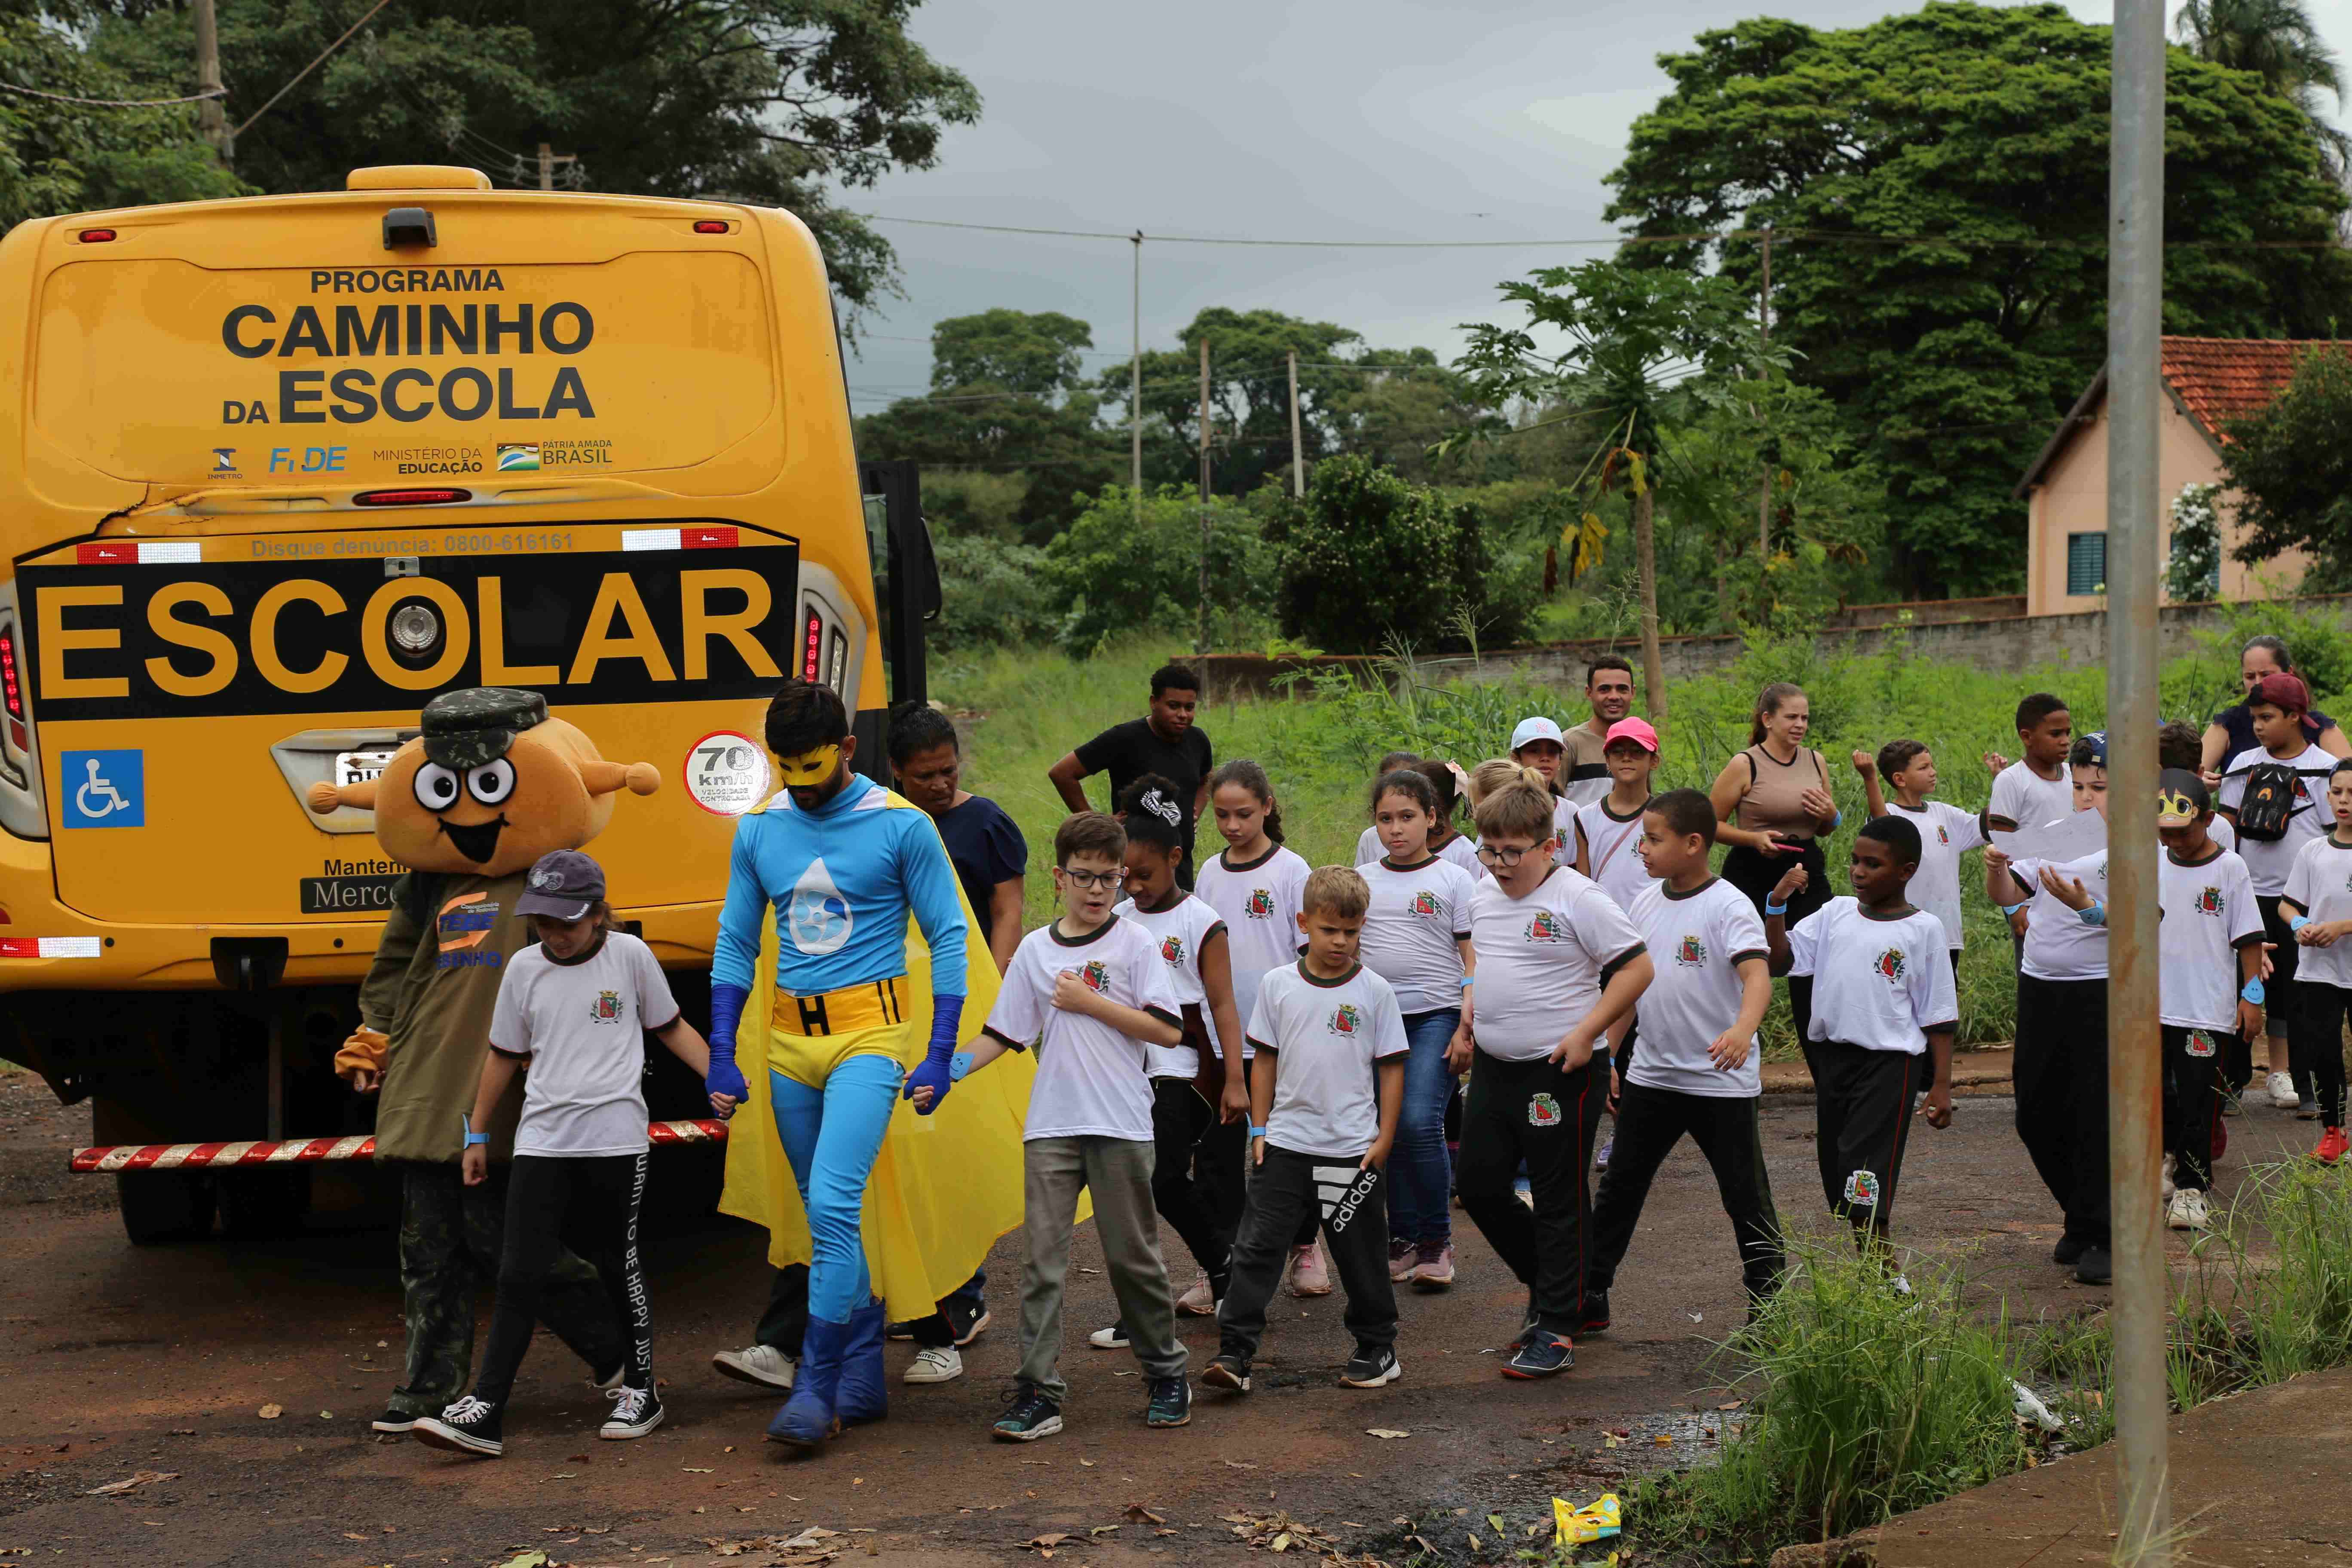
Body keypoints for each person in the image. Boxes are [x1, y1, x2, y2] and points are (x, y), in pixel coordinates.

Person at [320, 689, 663, 1437]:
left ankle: (614, 1350)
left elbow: (602, 973)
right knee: (428, 1241)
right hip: (429, 1074)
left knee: (506, 1239)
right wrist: (372, 1040)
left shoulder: (555, 874)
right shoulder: (427, 881)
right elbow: (392, 968)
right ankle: (429, 1387)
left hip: (518, 1084)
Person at [701, 680, 980, 1453]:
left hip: (871, 1038)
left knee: (830, 1202)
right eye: (784, 764)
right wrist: (723, 1052)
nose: (798, 779)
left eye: (813, 763)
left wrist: (937, 1048)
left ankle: (815, 1384)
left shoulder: (901, 826)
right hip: (788, 1044)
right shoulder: (760, 828)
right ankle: (860, 1376)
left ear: (849, 748)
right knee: (832, 1217)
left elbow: (949, 934)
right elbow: (734, 943)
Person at [411, 851, 726, 1458]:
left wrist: (724, 1083)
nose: (554, 935)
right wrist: (476, 1135)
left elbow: (671, 1027)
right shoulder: (525, 969)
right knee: (517, 1270)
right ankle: (486, 1409)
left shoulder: (631, 957)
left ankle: (641, 1391)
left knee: (617, 1260)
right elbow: (504, 1053)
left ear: (600, 916)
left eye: (568, 923)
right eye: (544, 923)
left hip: (616, 1139)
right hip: (542, 1140)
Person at [951, 811, 1192, 1442]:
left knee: (1133, 1258)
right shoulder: (1034, 949)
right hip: (1052, 1123)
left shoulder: (1134, 946)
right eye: (1083, 878)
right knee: (1042, 1264)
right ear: (1058, 877)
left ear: (1121, 881)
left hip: (1119, 1122)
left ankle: (1167, 1373)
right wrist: (946, 1069)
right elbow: (1005, 1033)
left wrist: (1093, 1003)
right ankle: (1037, 1391)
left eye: (1108, 880)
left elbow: (1168, 1030)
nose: (1095, 891)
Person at [1454, 769, 1651, 1379]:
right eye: (1489, 849)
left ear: (1549, 846)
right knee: (1481, 1186)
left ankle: (1559, 1326)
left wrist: (1587, 1032)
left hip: (1560, 1069)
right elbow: (1489, 963)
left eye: (1513, 852)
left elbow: (1636, 970)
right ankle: (1563, 1290)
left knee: (1559, 1193)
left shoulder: (1579, 899)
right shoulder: (1482, 893)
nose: (1499, 863)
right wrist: (1471, 1007)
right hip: (1493, 1065)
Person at [1201, 865, 1409, 1396]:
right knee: (1257, 1249)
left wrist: (1384, 1138)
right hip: (1285, 1147)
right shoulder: (1277, 985)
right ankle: (1235, 1354)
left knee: (1360, 1255)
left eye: (1352, 931)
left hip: (1351, 1152)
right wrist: (1260, 1128)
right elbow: (1264, 1062)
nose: (1341, 942)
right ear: (1304, 924)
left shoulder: (1376, 991)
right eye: (1329, 930)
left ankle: (1376, 1347)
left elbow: (1391, 1067)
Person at [1582, 790, 1783, 1335]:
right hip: (1652, 1076)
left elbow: (1757, 976)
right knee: (1620, 1189)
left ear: (1694, 844)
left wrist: (1743, 1030)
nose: (1642, 850)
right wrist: (1607, 1053)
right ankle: (1589, 1295)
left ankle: (1769, 1310)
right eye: (1642, 838)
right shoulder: (1645, 903)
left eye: (1653, 839)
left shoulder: (1729, 905)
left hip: (1720, 1083)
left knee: (1745, 1197)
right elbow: (1628, 990)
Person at [1087, 776, 1246, 1349]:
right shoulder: (1118, 919)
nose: (1134, 885)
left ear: (1176, 858)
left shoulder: (1200, 921)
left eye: (1144, 874)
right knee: (1134, 1189)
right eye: (1124, 875)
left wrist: (1234, 1079)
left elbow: (1223, 1003)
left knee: (1160, 1180)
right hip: (1126, 1071)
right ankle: (1150, 1306)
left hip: (1180, 1072)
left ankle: (1223, 1264)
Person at [1767, 816, 1957, 1271]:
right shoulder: (1833, 914)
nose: (1858, 872)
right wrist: (1776, 906)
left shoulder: (1924, 929)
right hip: (1832, 1059)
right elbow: (1779, 961)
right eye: (1854, 861)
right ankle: (1872, 1261)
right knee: (1837, 1167)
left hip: (1891, 1064)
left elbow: (1940, 1014)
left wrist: (1942, 1085)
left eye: (1873, 864)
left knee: (1865, 1165)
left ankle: (1883, 1272)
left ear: (1906, 871)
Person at [1194, 760, 1328, 1299]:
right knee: (1218, 1159)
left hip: (1282, 1037)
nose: (1232, 825)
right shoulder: (1208, 873)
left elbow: (1311, 954)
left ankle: (1304, 1246)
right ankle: (1219, 1264)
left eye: (1244, 814)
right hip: (1221, 1038)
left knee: (1287, 1150)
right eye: (1222, 815)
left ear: (1268, 807)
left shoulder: (1292, 870)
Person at [1981, 733, 2111, 1284]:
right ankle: (2082, 1214)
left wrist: (2086, 908)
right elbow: (2011, 894)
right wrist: (1994, 866)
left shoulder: (2141, 845)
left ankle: (2105, 1231)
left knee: (2094, 1115)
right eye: (2079, 786)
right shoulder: (2055, 836)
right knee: (2035, 1112)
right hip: (2040, 986)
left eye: (2100, 788)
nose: (2086, 798)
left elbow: (2149, 922)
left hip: (2101, 991)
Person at [1356, 766, 1478, 1291]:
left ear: (1433, 818)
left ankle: (1436, 1243)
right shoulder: (1362, 881)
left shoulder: (1454, 878)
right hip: (1378, 1023)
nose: (1396, 829)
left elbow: (1473, 957)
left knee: (1418, 1122)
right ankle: (1402, 1240)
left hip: (1438, 1016)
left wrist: (1467, 1025)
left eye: (1407, 817)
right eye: (1385, 819)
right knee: (1390, 1129)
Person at [2218, 672, 2337, 1118]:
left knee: (2301, 991)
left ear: (2296, 716)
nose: (2260, 726)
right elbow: (2225, 828)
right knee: (2240, 986)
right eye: (2254, 718)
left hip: (2300, 902)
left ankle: (2308, 1089)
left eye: (2268, 717)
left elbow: (2334, 836)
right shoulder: (2242, 765)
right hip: (2247, 896)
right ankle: (2230, 1082)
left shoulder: (2325, 770)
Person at [2151, 772, 2264, 1231]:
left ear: (2209, 819)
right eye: (2165, 832)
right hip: (2152, 1006)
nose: (2175, 840)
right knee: (2157, 1096)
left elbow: (2249, 937)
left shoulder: (2230, 868)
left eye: (2184, 831)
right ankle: (2165, 1160)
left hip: (2206, 1008)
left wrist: (2251, 996)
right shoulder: (2151, 863)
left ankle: (2192, 1189)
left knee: (2200, 1099)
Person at [1049, 664, 1213, 889]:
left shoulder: (1198, 741)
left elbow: (1206, 777)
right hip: (1132, 871)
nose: (1183, 715)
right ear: (1154, 702)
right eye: (1173, 706)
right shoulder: (1124, 739)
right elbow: (1062, 773)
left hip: (1178, 864)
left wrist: (1196, 810)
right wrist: (1096, 824)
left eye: (1189, 707)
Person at [1853, 740, 1988, 993]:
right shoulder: (1890, 813)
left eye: (1932, 765)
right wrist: (1870, 778)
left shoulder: (1944, 814)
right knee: (1897, 1002)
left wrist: (2003, 783)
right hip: (1899, 933)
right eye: (1924, 767)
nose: (1933, 772)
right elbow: (1885, 829)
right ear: (1900, 779)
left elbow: (1989, 825)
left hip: (1945, 935)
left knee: (1941, 1011)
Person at [2283, 758, 2352, 1166]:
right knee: (2323, 1051)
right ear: (2327, 797)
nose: (2345, 801)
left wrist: (2342, 926)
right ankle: (2334, 1131)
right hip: (2319, 969)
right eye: (2338, 793)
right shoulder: (2313, 851)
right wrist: (2302, 926)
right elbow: (2289, 905)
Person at [2199, 634, 2350, 778]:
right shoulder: (2229, 724)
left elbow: (2349, 778)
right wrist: (2201, 784)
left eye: (2266, 675)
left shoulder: (2319, 727)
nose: (2258, 683)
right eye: (2250, 676)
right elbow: (2190, 779)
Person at [1574, 718, 1661, 917]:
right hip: (1604, 922)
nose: (1627, 758)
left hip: (1653, 919)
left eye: (1638, 752)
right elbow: (1584, 885)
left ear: (1654, 761)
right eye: (1618, 751)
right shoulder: (1585, 818)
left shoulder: (1667, 816)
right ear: (1607, 760)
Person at [1987, 694, 2074, 834]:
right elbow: (2004, 848)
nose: (2065, 741)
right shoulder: (2011, 781)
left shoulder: (2076, 776)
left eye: (2068, 733)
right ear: (2027, 737)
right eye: (2056, 734)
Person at [1509, 715, 1581, 866]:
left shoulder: (1570, 811)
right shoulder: (1504, 808)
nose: (1545, 758)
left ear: (1560, 761)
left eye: (1552, 752)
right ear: (1516, 759)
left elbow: (1575, 866)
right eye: (1534, 751)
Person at [1563, 656, 1638, 787]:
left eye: (1622, 689)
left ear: (1633, 692)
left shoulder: (1640, 743)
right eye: (1605, 689)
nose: (1614, 697)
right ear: (1589, 693)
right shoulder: (1569, 744)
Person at [1354, 750, 1426, 867]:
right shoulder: (1370, 837)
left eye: (1408, 817)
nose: (1396, 790)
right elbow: (1360, 882)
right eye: (1386, 819)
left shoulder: (1431, 840)